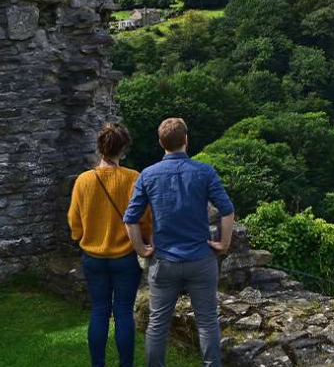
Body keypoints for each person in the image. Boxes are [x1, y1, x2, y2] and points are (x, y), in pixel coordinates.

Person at [124, 118, 235, 367]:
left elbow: (130, 219)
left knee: (158, 323)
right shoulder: (204, 171)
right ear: (186, 140)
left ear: (161, 143)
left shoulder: (148, 175)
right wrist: (224, 243)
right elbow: (227, 211)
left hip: (164, 260)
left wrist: (141, 249)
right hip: (200, 259)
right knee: (207, 321)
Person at [68, 123, 152, 367]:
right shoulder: (133, 178)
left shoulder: (84, 180)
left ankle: (98, 364)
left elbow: (74, 220)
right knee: (124, 312)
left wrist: (81, 236)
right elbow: (144, 218)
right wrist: (145, 240)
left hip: (92, 257)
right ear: (123, 149)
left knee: (99, 311)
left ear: (100, 148)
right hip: (125, 257)